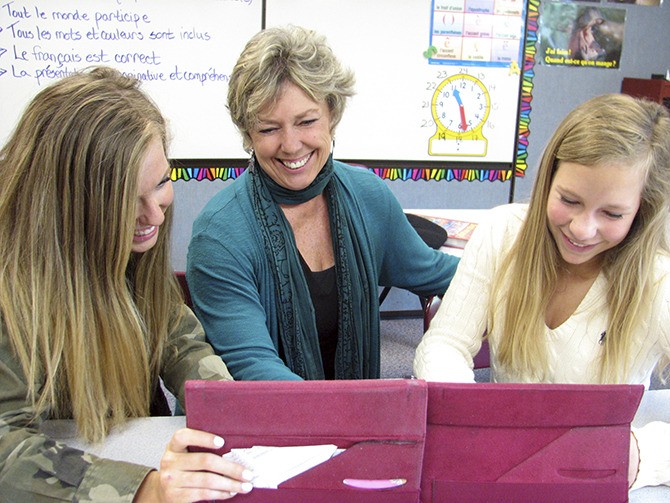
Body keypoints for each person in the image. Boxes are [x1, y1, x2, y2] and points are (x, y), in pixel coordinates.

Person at [0, 67, 253, 501]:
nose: (154, 215)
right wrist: (142, 490)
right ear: (66, 206)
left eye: (160, 184)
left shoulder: (132, 246)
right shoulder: (13, 286)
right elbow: (6, 448)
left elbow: (179, 339)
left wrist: (221, 406)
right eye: (124, 202)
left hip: (125, 445)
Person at [414, 93, 670, 490]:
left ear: (642, 210)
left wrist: (640, 455)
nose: (582, 230)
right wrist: (470, 418)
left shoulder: (659, 281)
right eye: (569, 200)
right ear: (547, 180)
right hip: (504, 471)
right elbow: (445, 343)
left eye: (612, 214)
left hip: (595, 480)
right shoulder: (503, 234)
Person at [187, 25, 459, 381]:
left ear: (332, 114)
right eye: (269, 128)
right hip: (267, 426)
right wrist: (339, 422)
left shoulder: (367, 197)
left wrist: (530, 280)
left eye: (307, 121)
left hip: (351, 416)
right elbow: (254, 368)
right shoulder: (219, 235)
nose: (291, 144)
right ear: (248, 134)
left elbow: (438, 272)